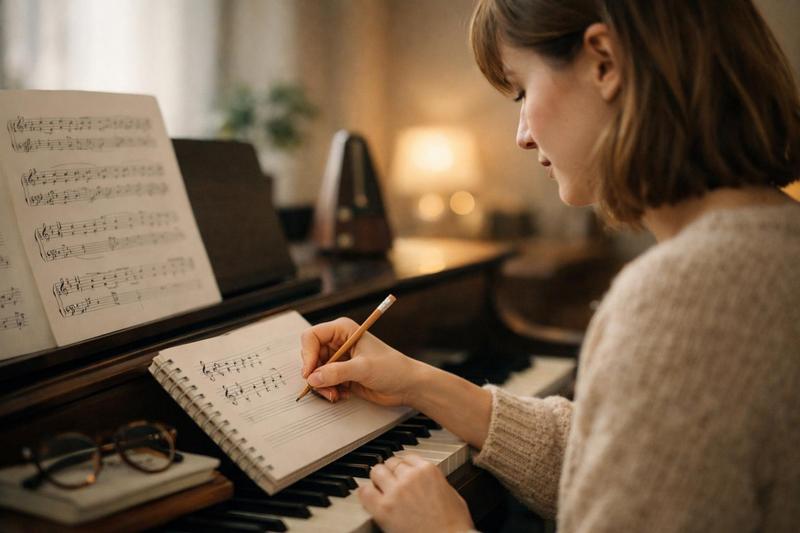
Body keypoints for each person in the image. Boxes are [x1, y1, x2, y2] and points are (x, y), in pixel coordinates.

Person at [300, 1, 800, 531]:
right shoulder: (770, 242)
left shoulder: (685, 295)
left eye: (520, 91)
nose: (522, 135)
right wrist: (420, 382)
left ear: (604, 62)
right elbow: (637, 463)